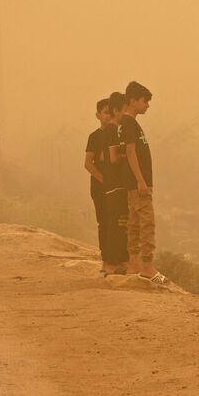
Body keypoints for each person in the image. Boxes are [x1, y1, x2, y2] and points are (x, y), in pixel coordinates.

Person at [121, 80, 167, 284]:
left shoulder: (129, 123)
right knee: (146, 223)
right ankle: (147, 266)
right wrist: (141, 181)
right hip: (138, 184)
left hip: (135, 183)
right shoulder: (129, 123)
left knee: (134, 223)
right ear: (132, 101)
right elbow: (130, 152)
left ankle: (134, 263)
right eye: (144, 101)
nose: (147, 105)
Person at [101, 91, 129, 274]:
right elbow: (111, 158)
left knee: (116, 223)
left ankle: (115, 262)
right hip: (116, 184)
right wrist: (128, 154)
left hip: (113, 184)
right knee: (118, 223)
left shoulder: (108, 131)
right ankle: (115, 262)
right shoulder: (113, 131)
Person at [84, 98, 111, 273]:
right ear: (98, 115)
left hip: (117, 188)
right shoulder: (94, 137)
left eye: (112, 112)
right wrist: (104, 180)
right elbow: (88, 164)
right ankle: (106, 261)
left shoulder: (119, 134)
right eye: (106, 112)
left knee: (118, 224)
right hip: (100, 188)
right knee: (104, 222)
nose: (109, 116)